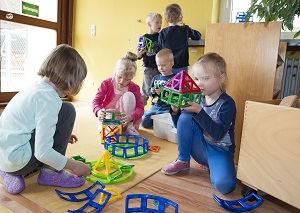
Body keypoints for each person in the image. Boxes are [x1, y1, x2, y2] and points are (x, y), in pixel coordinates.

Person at [0, 44, 90, 194]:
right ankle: (51, 171)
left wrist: (57, 134)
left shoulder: (36, 87)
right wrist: (73, 165)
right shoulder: (49, 99)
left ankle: (7, 170)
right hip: (19, 161)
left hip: (5, 154)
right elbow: (43, 152)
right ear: (71, 80)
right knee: (68, 110)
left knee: (63, 110)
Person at [161, 52, 237, 194]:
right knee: (186, 116)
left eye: (206, 78)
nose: (199, 83)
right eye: (196, 78)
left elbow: (218, 134)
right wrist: (175, 111)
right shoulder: (197, 97)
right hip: (200, 148)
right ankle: (183, 160)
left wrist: (200, 111)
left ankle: (214, 166)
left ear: (222, 78)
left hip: (220, 151)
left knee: (225, 186)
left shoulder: (227, 103)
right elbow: (181, 127)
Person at [92, 52, 144, 135]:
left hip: (126, 116)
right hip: (110, 114)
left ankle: (128, 126)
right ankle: (103, 123)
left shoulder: (134, 88)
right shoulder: (106, 83)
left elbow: (140, 108)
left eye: (127, 79)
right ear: (115, 72)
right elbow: (96, 101)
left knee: (129, 95)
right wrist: (98, 111)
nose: (122, 82)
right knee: (112, 133)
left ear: (132, 77)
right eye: (119, 77)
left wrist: (131, 117)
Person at [158, 3, 201, 74]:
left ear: (166, 20)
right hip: (182, 65)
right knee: (182, 84)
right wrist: (183, 25)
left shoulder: (162, 32)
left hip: (167, 66)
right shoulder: (185, 29)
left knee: (168, 84)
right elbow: (198, 36)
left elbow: (159, 48)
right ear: (181, 18)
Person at [141, 48, 175, 128]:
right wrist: (152, 91)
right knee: (144, 124)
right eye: (158, 65)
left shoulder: (175, 79)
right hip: (155, 106)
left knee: (168, 125)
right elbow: (149, 91)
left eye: (163, 65)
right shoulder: (156, 78)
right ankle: (155, 121)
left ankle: (158, 122)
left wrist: (163, 92)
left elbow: (175, 96)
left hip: (167, 108)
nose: (160, 68)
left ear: (172, 63)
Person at [137, 12, 162, 106]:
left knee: (157, 91)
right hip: (148, 68)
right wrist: (139, 54)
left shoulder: (161, 36)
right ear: (149, 24)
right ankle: (139, 110)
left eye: (161, 22)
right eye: (157, 22)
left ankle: (154, 109)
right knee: (146, 90)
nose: (160, 24)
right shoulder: (144, 38)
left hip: (159, 68)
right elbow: (138, 55)